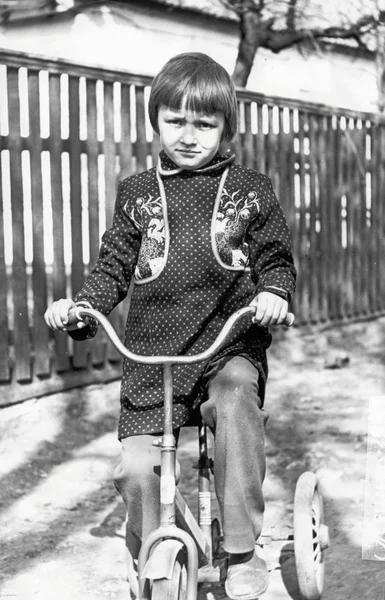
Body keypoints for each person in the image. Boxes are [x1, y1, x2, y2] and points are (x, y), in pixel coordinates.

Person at [44, 52, 296, 600]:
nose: (188, 135)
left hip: (229, 345)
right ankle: (161, 546)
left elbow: (275, 257)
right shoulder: (136, 193)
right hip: (153, 357)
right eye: (175, 121)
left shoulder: (250, 189)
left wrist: (274, 292)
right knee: (136, 470)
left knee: (234, 403)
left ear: (227, 127)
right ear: (154, 120)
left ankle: (242, 548)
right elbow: (113, 266)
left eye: (204, 124)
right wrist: (82, 309)